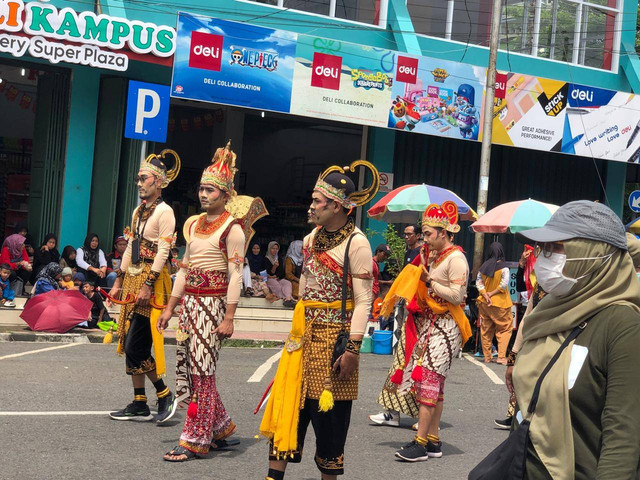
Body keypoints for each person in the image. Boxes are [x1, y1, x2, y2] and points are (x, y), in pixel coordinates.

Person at [261, 160, 378, 480]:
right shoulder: (311, 239)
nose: (311, 206)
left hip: (335, 345)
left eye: (318, 201)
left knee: (330, 430)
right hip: (301, 342)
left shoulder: (358, 243)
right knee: (287, 415)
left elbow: (365, 299)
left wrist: (353, 349)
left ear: (339, 206)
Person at [512, 200, 640, 479]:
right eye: (544, 249)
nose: (545, 258)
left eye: (558, 247)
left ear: (596, 254)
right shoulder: (550, 310)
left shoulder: (623, 324)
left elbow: (623, 433)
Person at [158, 141, 258, 462]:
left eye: (211, 190)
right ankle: (221, 427)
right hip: (189, 308)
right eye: (201, 189)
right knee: (190, 368)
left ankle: (195, 438)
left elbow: (235, 276)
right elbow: (184, 269)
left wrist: (229, 317)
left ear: (226, 195)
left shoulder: (233, 229)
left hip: (213, 308)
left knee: (203, 371)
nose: (203, 194)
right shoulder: (193, 224)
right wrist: (172, 306)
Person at [372, 201, 471, 462]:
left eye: (428, 234)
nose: (423, 238)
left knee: (428, 381)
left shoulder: (457, 259)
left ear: (444, 232)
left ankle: (420, 443)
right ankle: (434, 441)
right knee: (434, 387)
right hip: (429, 325)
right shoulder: (431, 255)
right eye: (423, 233)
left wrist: (430, 281)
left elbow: (458, 295)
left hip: (448, 326)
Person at [108, 149, 180, 423]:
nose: (139, 183)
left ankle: (164, 394)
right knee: (128, 340)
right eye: (138, 178)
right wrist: (119, 279)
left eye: (144, 178)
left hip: (153, 281)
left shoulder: (166, 212)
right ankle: (139, 402)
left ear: (158, 182)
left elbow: (163, 252)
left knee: (136, 344)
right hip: (133, 279)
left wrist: (148, 285)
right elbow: (131, 246)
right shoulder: (138, 211)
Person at [476, 242, 513, 365]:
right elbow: (504, 284)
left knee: (486, 329)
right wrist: (491, 294)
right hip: (500, 303)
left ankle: (487, 356)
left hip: (484, 303)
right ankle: (501, 357)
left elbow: (478, 283)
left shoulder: (483, 267)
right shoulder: (504, 268)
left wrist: (485, 294)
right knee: (504, 329)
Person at [264, 241, 296, 308]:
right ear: (269, 249)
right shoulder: (266, 259)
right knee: (276, 285)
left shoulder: (279, 258)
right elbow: (268, 273)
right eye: (273, 248)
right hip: (269, 279)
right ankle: (286, 299)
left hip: (277, 278)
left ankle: (287, 298)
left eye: (276, 249)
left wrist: (275, 275)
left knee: (287, 283)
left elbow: (281, 272)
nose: (275, 250)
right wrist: (274, 267)